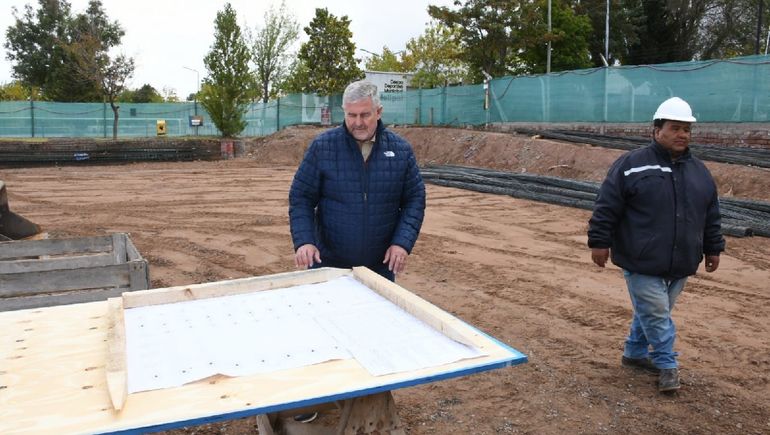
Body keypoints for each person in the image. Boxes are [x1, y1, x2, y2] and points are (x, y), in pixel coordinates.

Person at [587, 96, 725, 393]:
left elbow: (711, 214)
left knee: (651, 313)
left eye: (686, 129)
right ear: (657, 130)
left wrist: (713, 248)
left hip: (682, 260)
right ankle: (666, 364)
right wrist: (599, 241)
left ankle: (634, 354)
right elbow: (607, 206)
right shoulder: (631, 165)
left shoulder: (699, 172)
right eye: (675, 128)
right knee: (657, 314)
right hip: (641, 259)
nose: (682, 134)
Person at [289, 80, 426, 281]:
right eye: (351, 115)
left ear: (378, 112)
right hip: (328, 264)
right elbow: (301, 197)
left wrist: (401, 243)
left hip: (379, 268)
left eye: (365, 114)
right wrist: (305, 241)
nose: (358, 122)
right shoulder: (322, 147)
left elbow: (415, 200)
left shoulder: (400, 150)